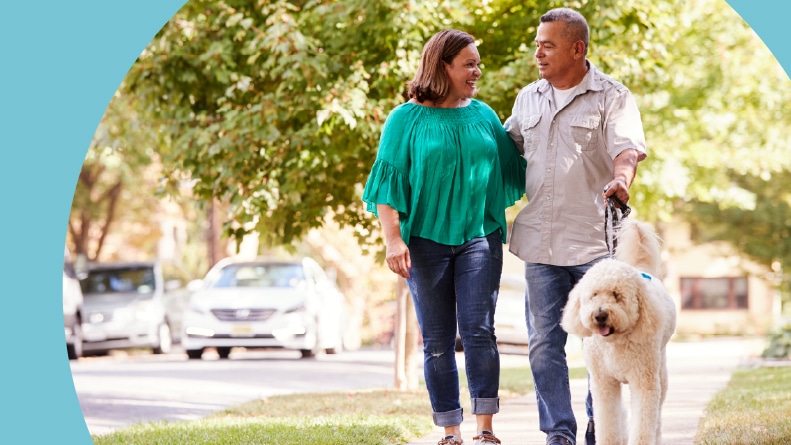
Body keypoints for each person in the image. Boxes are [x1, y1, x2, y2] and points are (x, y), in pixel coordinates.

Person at [362, 29, 526, 445]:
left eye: (477, 62)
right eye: (469, 63)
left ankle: (485, 429)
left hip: (478, 238)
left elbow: (517, 164)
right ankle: (450, 430)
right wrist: (393, 240)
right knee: (437, 340)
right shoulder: (405, 119)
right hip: (425, 243)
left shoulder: (484, 114)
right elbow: (387, 183)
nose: (477, 70)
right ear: (443, 66)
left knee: (479, 331)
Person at [503, 8, 647, 445]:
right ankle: (558, 433)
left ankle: (596, 429)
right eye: (537, 44)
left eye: (547, 45)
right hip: (540, 245)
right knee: (544, 344)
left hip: (593, 245)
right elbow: (504, 150)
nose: (538, 53)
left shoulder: (612, 96)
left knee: (600, 344)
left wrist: (622, 179)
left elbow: (627, 150)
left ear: (577, 48)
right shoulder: (528, 97)